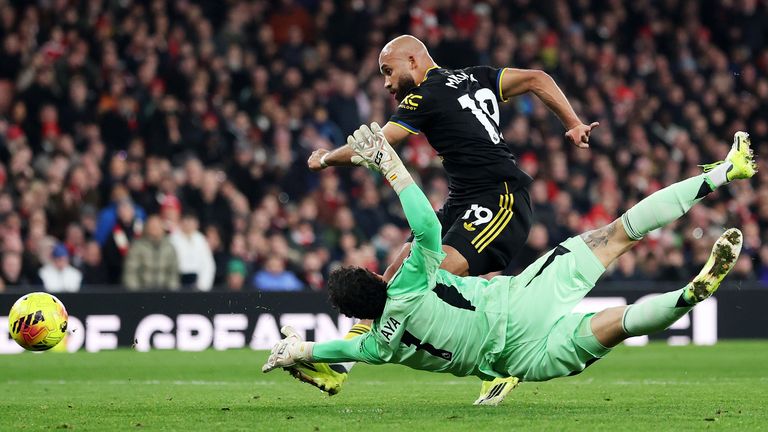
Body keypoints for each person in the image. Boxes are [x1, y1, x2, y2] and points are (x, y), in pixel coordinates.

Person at [263, 126, 756, 404]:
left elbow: (327, 345)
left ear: (358, 317)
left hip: (517, 363)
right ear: (375, 276)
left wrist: (299, 349)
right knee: (615, 235)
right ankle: (723, 174)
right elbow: (427, 229)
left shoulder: (375, 346)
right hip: (517, 307)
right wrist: (391, 165)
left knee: (617, 324)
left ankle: (688, 297)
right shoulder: (409, 280)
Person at [297, 34, 598, 400]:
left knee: (430, 278)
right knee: (392, 277)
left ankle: (497, 368)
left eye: (388, 71)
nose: (387, 83)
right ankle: (341, 366)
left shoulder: (425, 95)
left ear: (413, 60)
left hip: (501, 199)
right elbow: (537, 77)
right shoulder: (478, 76)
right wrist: (573, 122)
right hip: (463, 201)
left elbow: (379, 145)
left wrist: (326, 158)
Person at [123, 214, 179, 291]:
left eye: (157, 226)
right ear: (146, 228)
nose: (154, 228)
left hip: (165, 293)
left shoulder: (169, 247)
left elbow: (173, 273)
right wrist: (135, 294)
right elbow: (131, 272)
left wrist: (171, 293)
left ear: (162, 227)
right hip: (142, 293)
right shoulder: (137, 247)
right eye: (152, 226)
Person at [169, 212, 216, 291]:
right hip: (178, 282)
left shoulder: (201, 239)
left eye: (191, 221)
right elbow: (170, 264)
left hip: (197, 284)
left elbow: (208, 265)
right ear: (181, 221)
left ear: (196, 223)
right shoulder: (172, 239)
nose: (188, 224)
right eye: (186, 220)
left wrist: (202, 286)